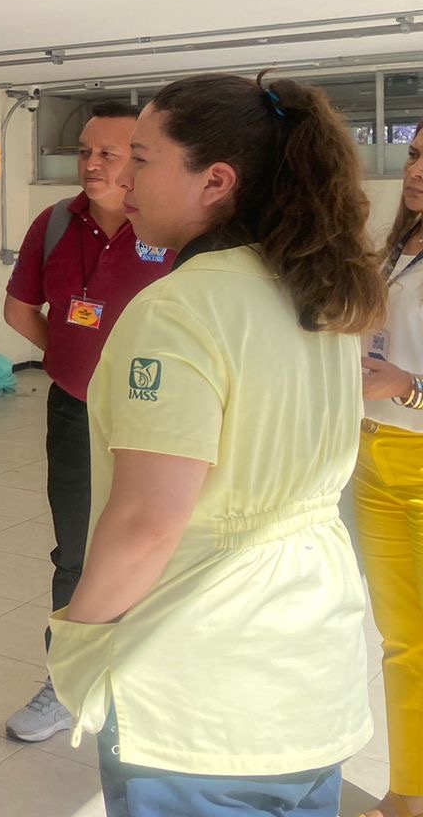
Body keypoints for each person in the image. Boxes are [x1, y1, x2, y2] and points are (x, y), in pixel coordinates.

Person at [48, 73, 382, 817]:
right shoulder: (319, 294)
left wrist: (78, 641)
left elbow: (148, 521)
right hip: (312, 670)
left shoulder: (180, 309)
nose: (123, 179)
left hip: (200, 684)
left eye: (142, 159)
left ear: (216, 181)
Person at [1, 100, 172, 742]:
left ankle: (148, 683)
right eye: (84, 152)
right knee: (75, 550)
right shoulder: (53, 224)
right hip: (75, 412)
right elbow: (19, 310)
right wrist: (70, 361)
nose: (92, 163)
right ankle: (67, 682)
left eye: (110, 152)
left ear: (141, 159)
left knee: (162, 547)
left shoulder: (171, 231)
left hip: (158, 423)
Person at [354, 127, 423, 817]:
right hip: (374, 456)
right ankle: (407, 793)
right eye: (415, 154)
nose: (417, 171)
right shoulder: (397, 247)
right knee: (403, 643)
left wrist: (411, 388)